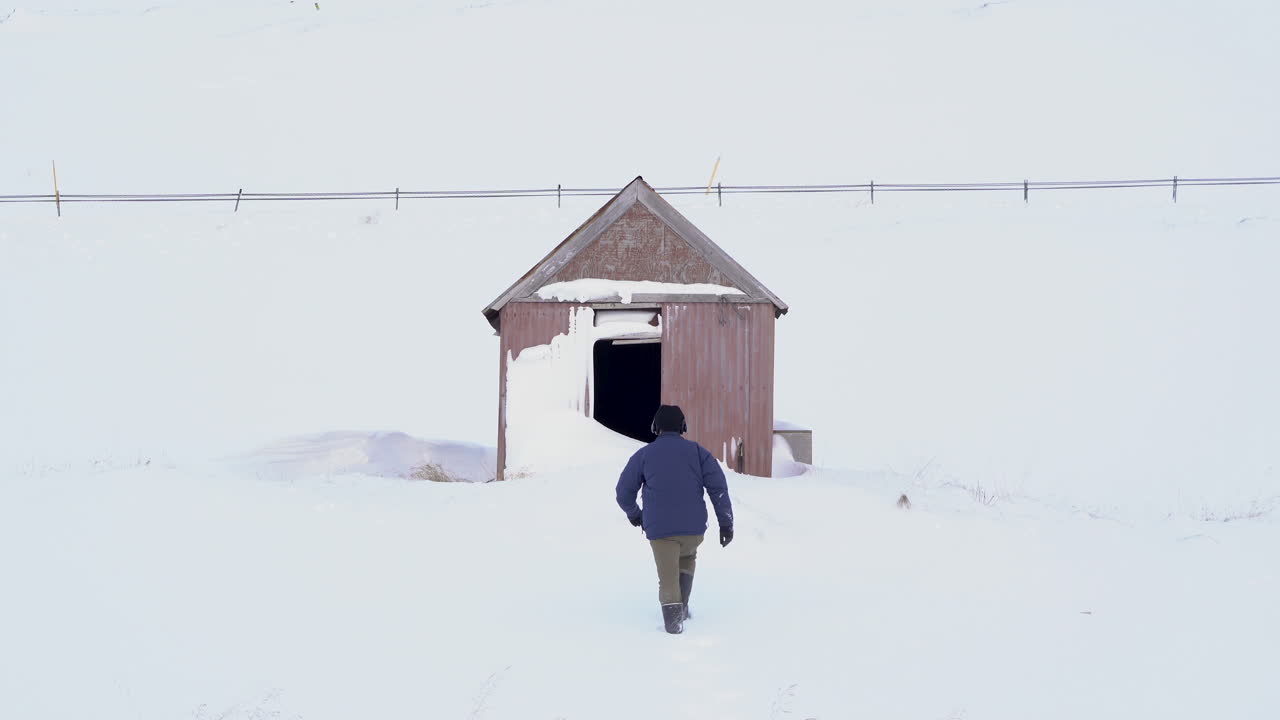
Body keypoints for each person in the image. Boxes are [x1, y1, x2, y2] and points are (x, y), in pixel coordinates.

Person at [615, 405, 734, 634]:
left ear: (655, 428)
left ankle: (673, 625)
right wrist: (726, 523)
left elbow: (623, 492)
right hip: (694, 531)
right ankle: (683, 609)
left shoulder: (644, 455)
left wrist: (635, 515)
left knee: (668, 576)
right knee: (687, 560)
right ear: (683, 427)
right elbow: (718, 489)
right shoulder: (700, 453)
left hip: (661, 532)